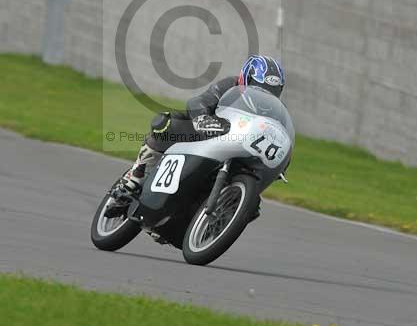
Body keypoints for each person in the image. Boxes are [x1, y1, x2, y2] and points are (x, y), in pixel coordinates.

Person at [106, 55, 286, 216]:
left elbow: (279, 139)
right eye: (259, 87)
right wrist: (203, 118)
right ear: (245, 78)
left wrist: (281, 163)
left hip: (238, 148)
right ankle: (134, 178)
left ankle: (215, 220)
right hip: (206, 133)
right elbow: (199, 101)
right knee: (168, 123)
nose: (264, 93)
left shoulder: (275, 112)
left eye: (272, 90)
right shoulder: (230, 86)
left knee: (253, 207)